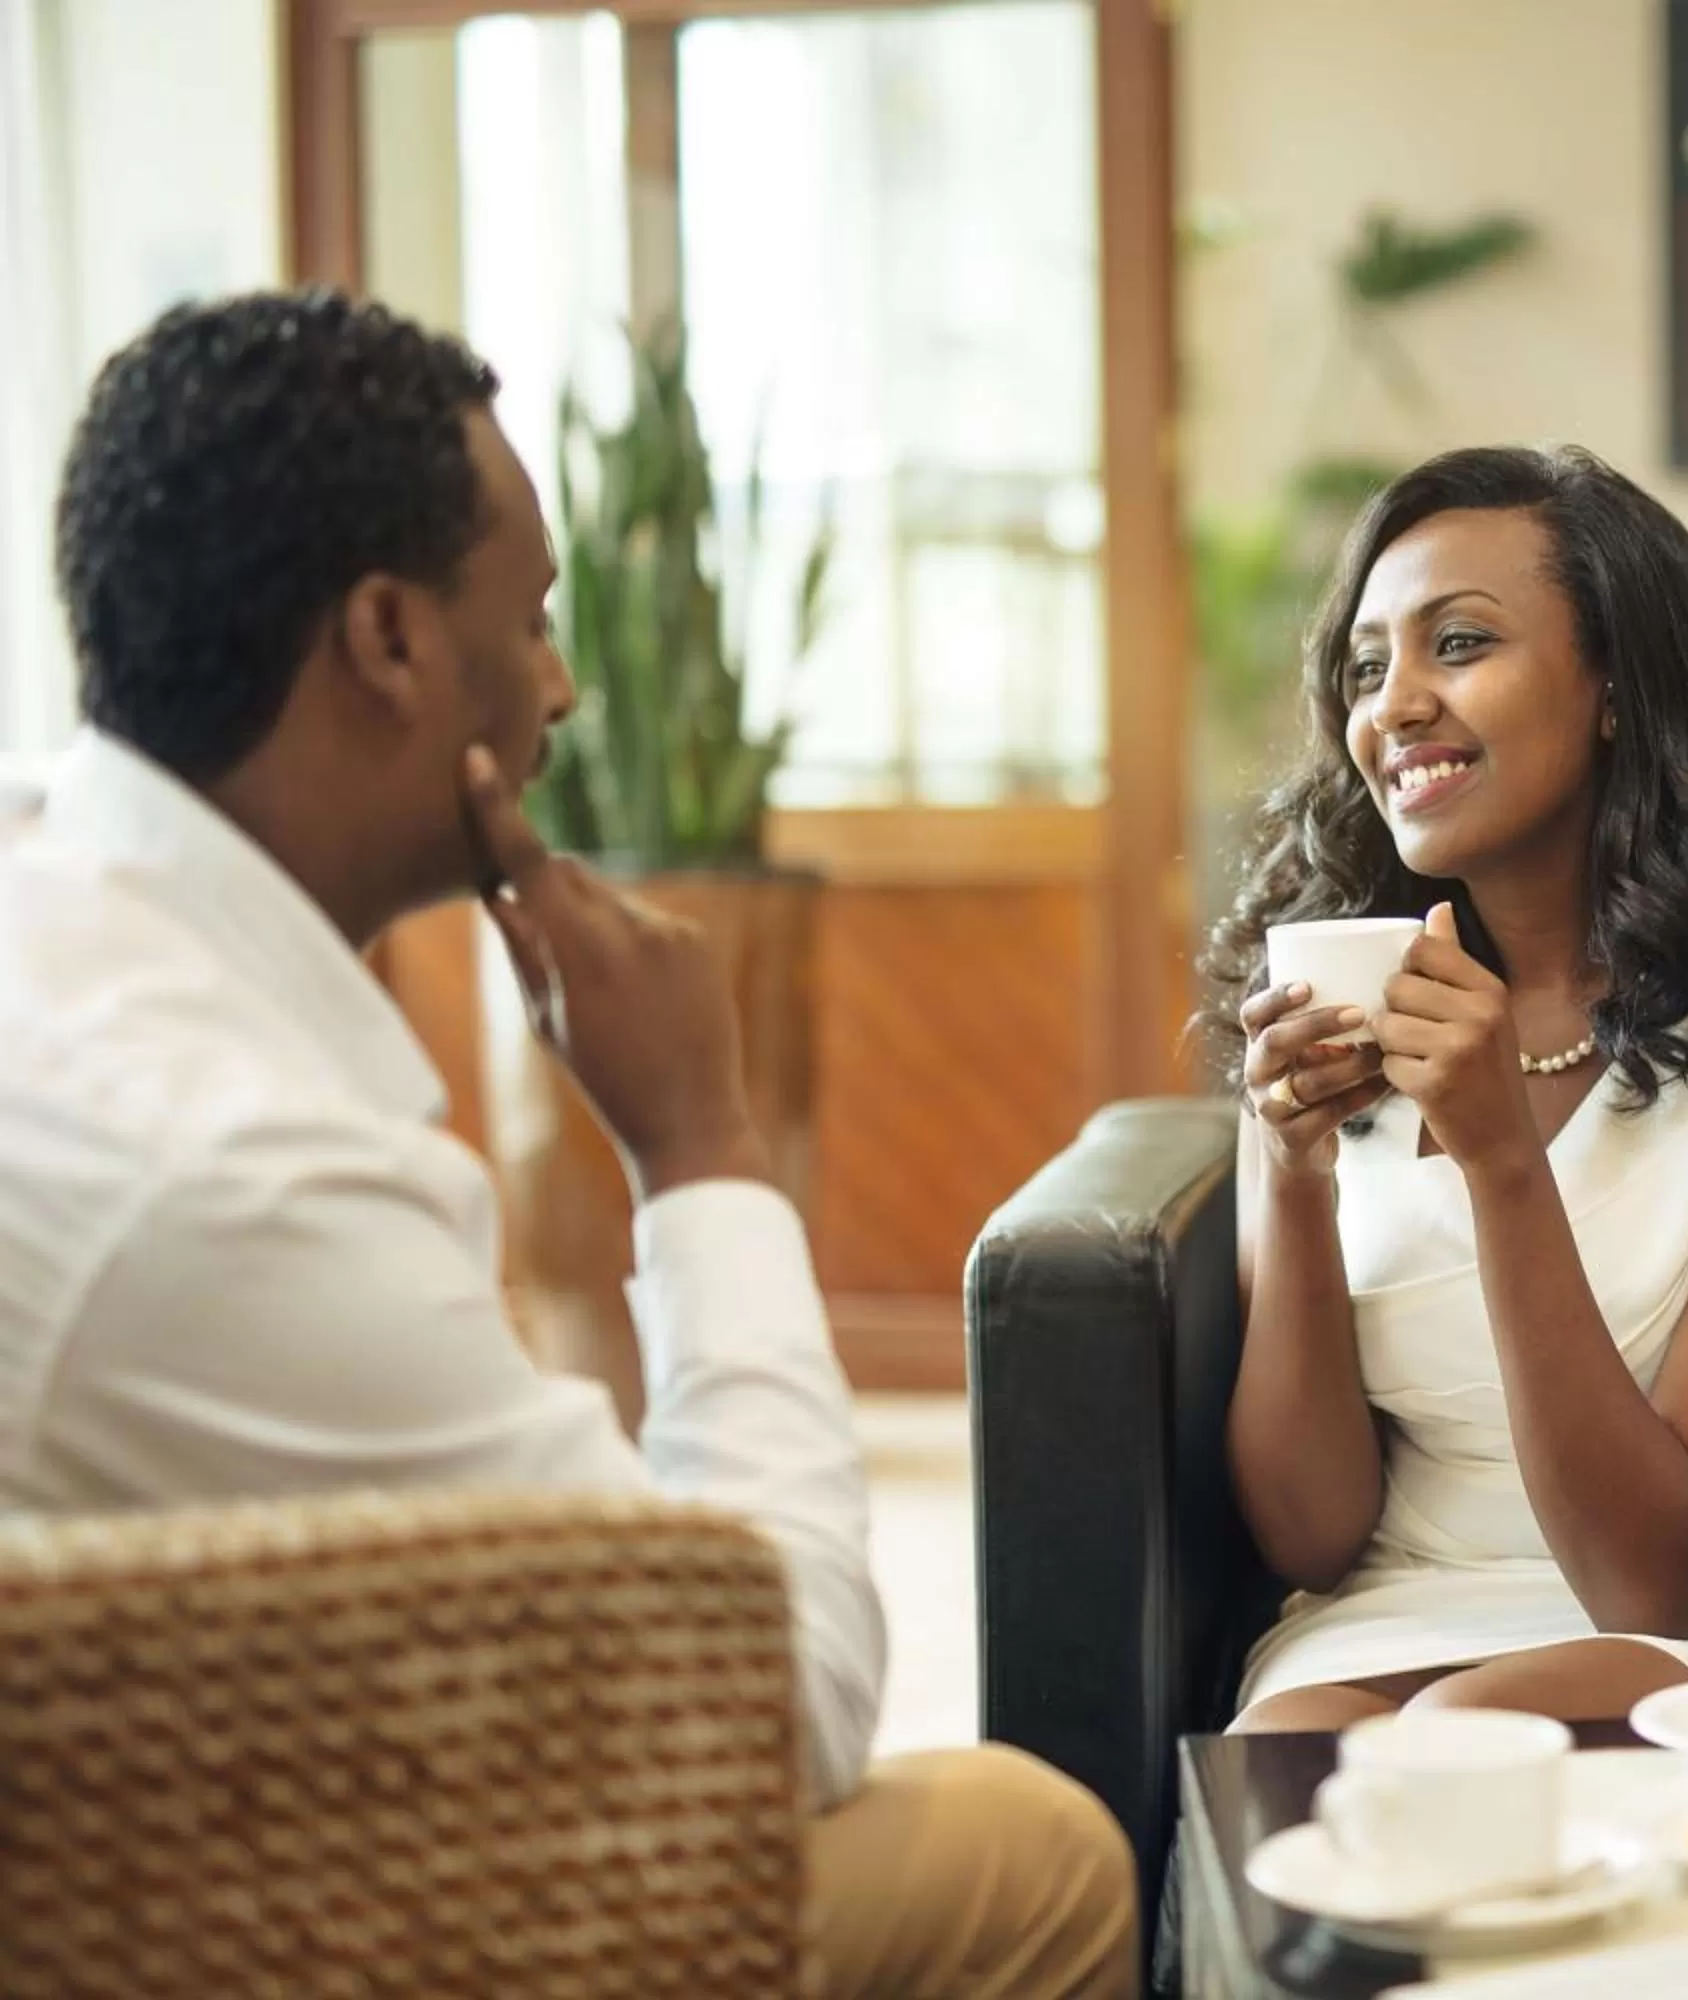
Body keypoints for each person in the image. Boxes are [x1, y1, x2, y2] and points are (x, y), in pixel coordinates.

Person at [0, 291, 1135, 1999]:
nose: (564, 683)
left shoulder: (59, 933)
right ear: (389, 639)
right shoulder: (232, 1172)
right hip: (212, 1930)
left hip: (135, 1836)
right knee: (1032, 1852)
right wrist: (701, 1147)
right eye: (528, 619)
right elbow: (772, 1704)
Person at [1203, 445, 1688, 1732]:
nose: (1396, 706)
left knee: (1466, 1736)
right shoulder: (1339, 999)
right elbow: (1312, 1533)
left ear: (1617, 688)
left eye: (1460, 644)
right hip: (1408, 1602)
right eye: (1368, 668)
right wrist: (1291, 1171)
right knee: (1281, 1754)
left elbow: (1651, 1578)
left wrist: (1502, 1162)